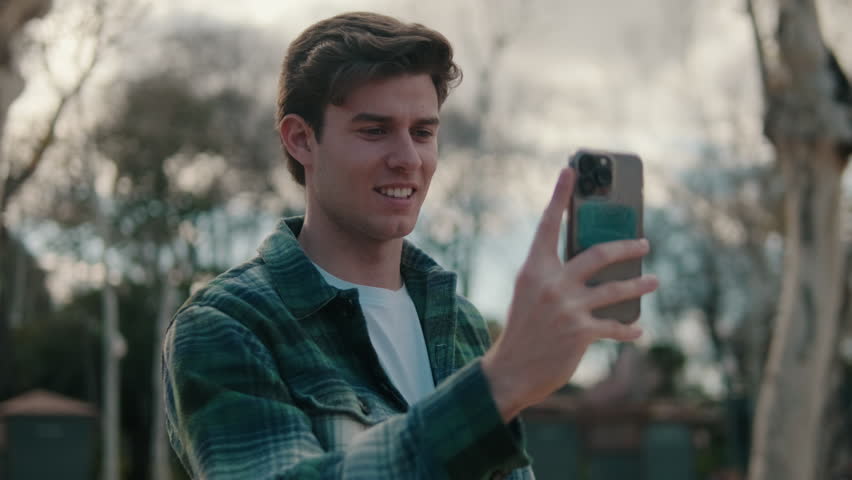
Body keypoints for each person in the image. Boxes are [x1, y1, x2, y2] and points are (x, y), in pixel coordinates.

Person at [162, 11, 659, 480]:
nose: (407, 158)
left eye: (423, 132)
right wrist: (498, 385)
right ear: (300, 139)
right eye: (374, 131)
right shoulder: (228, 326)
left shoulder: (459, 322)